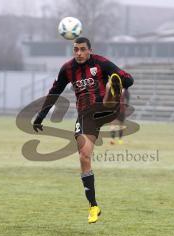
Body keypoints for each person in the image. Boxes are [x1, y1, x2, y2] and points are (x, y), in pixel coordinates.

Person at [33, 37, 134, 224]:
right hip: (86, 116)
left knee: (112, 85)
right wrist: (41, 115)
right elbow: (55, 92)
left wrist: (122, 81)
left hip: (106, 108)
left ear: (89, 50)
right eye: (76, 49)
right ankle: (94, 206)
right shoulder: (67, 69)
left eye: (82, 49)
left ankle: (113, 87)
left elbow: (130, 79)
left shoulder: (101, 62)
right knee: (84, 156)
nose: (78, 53)